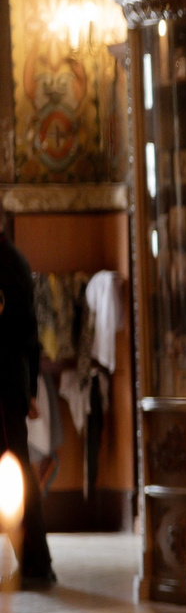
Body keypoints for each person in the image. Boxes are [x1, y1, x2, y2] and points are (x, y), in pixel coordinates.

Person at [0, 231, 55, 589]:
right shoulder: (12, 259)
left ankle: (37, 561)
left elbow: (23, 332)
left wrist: (29, 389)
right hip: (10, 381)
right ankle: (34, 560)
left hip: (3, 383)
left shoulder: (8, 262)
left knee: (17, 468)